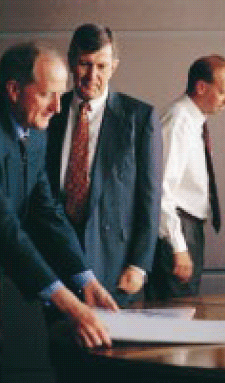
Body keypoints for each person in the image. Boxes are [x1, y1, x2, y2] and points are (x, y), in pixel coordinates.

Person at [0, 42, 119, 350]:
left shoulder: (36, 131)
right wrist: (68, 302)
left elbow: (47, 212)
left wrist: (85, 280)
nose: (57, 107)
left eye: (59, 93)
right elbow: (5, 228)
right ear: (13, 90)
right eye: (45, 94)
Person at [46, 24, 162, 308]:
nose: (92, 75)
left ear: (114, 67)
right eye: (85, 64)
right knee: (59, 348)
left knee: (112, 349)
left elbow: (151, 197)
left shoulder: (140, 117)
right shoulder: (50, 111)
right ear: (71, 60)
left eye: (101, 65)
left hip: (116, 264)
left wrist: (139, 264)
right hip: (56, 260)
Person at [145, 55, 225, 300]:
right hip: (178, 229)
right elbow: (160, 189)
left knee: (184, 309)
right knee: (175, 314)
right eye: (223, 92)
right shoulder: (179, 121)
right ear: (201, 87)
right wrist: (179, 247)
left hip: (189, 227)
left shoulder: (193, 121)